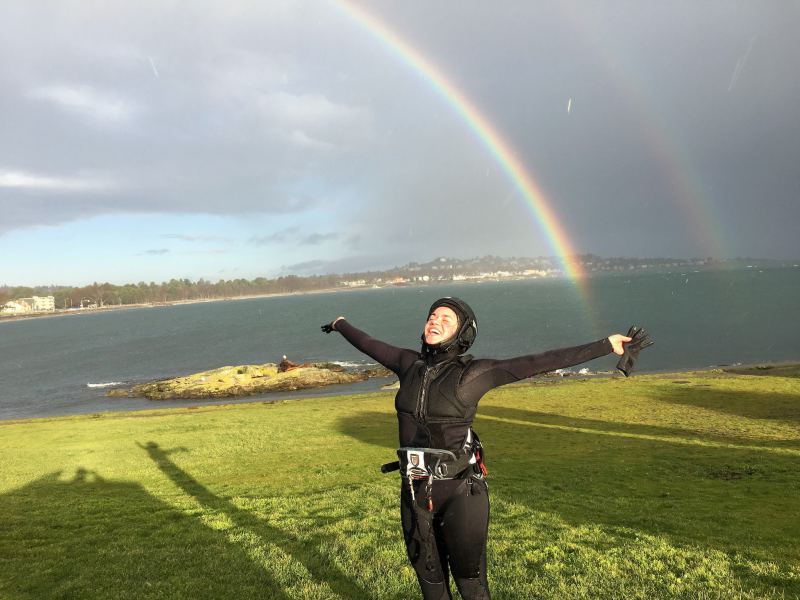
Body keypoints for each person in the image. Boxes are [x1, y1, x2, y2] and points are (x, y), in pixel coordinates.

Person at [322, 297, 650, 600]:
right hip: (414, 489)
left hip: (461, 492)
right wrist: (340, 323)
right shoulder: (408, 364)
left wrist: (606, 345)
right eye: (432, 315)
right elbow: (368, 343)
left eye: (446, 319)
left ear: (462, 333)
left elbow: (538, 361)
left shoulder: (473, 374)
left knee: (471, 584)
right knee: (431, 585)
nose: (434, 321)